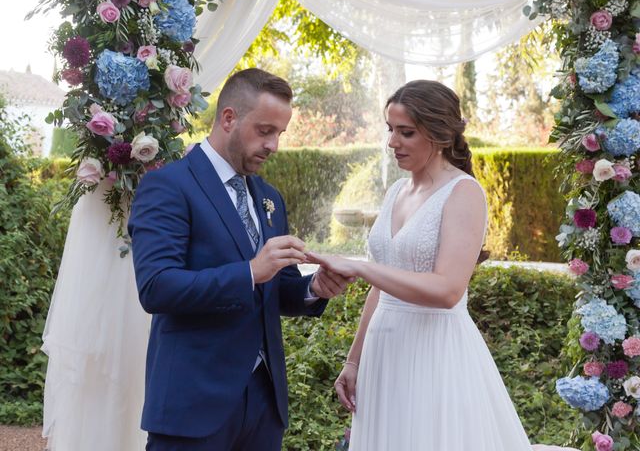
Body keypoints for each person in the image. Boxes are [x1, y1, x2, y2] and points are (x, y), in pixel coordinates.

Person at [128, 68, 351, 451]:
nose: (274, 145)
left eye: (279, 133)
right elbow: (156, 287)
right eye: (265, 130)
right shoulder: (168, 186)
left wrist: (314, 288)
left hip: (264, 407)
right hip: (192, 406)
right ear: (229, 118)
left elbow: (275, 288)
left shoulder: (269, 198)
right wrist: (249, 271)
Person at [306, 80, 535, 450]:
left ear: (440, 134)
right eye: (390, 130)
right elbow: (382, 287)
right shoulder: (395, 191)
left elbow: (447, 291)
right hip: (384, 352)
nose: (392, 143)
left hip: (434, 353)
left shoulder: (463, 193)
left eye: (406, 132)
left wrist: (361, 268)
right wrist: (354, 361)